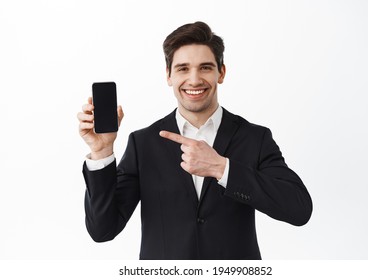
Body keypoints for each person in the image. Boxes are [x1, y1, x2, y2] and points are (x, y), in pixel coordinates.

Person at [77, 21, 312, 260]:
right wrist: (102, 152)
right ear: (168, 75)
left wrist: (222, 169)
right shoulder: (143, 143)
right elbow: (102, 230)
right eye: (182, 69)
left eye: (205, 68)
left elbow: (299, 209)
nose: (194, 79)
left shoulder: (255, 138)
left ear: (221, 72)